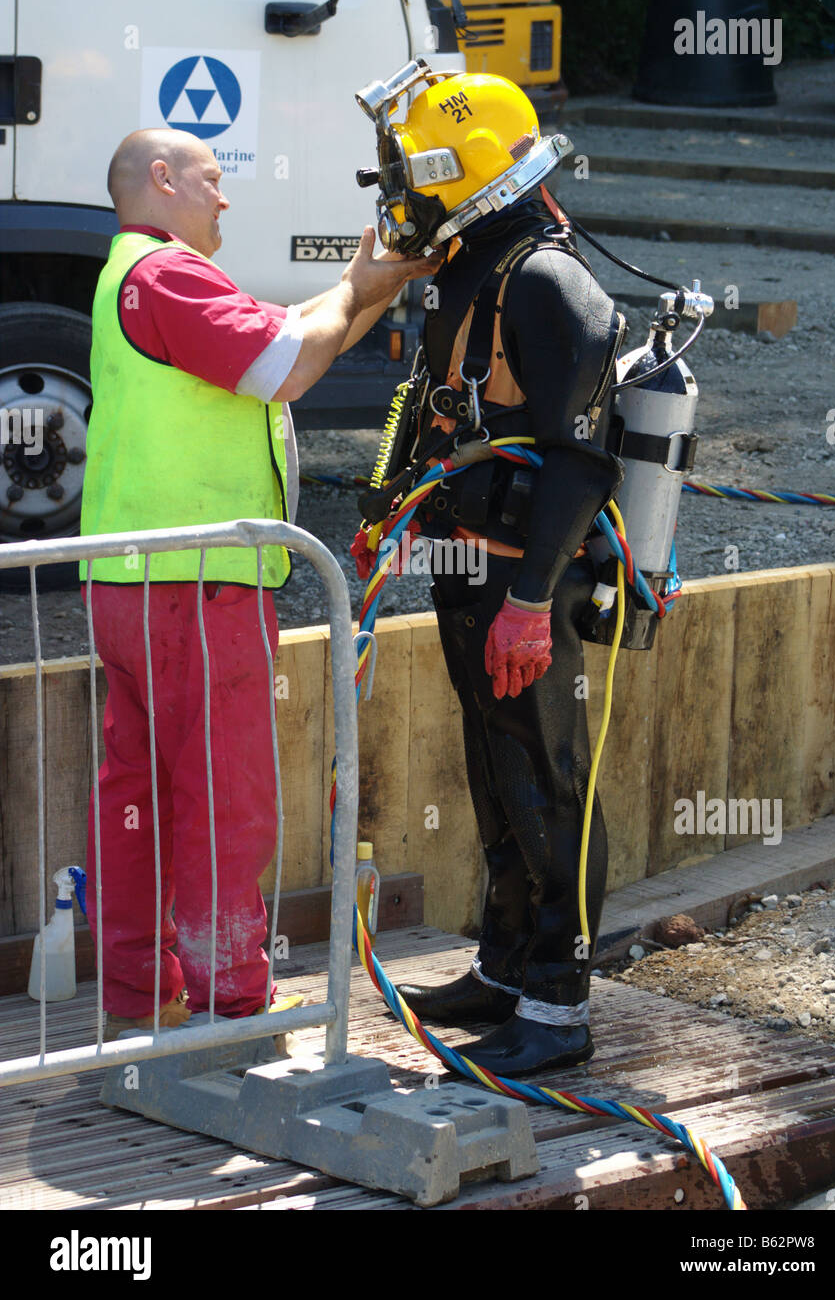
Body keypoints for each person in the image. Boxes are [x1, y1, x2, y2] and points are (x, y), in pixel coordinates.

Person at [81, 127, 438, 1039]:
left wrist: (371, 288)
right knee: (222, 798)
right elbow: (282, 363)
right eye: (212, 179)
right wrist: (361, 289)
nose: (225, 198)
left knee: (138, 796)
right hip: (198, 589)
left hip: (129, 583)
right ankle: (229, 1003)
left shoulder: (132, 271)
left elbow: (288, 347)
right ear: (162, 180)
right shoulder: (169, 275)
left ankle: (140, 998)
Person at [352, 66, 625, 1076]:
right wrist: (388, 511)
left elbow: (583, 458)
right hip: (470, 570)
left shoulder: (548, 282)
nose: (404, 202)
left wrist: (526, 602)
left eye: (419, 179)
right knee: (497, 773)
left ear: (469, 175)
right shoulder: (473, 261)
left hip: (527, 585)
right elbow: (425, 404)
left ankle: (560, 1007)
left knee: (551, 784)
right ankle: (505, 968)